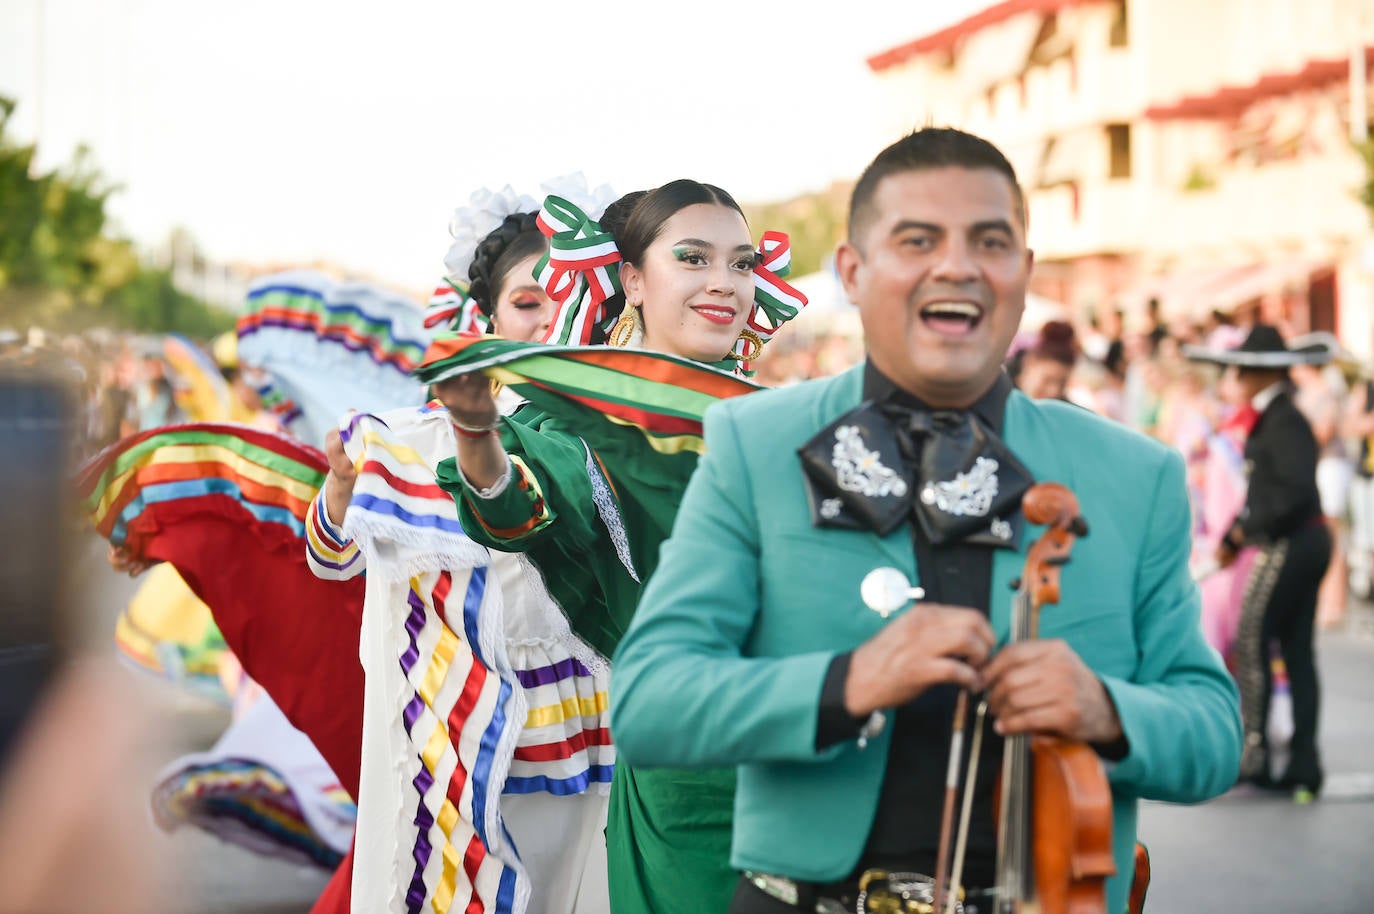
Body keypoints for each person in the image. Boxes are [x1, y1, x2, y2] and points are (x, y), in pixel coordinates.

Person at [610, 128, 1241, 914]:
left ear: (1023, 273)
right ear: (852, 272)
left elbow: (1214, 734)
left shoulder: (1135, 474)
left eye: (990, 242)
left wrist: (1107, 711)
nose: (956, 266)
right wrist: (847, 683)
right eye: (918, 240)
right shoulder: (757, 442)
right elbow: (649, 702)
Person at [427, 178, 806, 914]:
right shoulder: (582, 427)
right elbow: (517, 505)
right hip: (693, 774)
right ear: (632, 280)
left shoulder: (786, 419)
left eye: (741, 263)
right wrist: (475, 431)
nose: (723, 282)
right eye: (692, 259)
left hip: (822, 752)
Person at [309, 182, 618, 914]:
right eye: (527, 302)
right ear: (488, 318)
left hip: (604, 743)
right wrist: (343, 486)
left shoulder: (628, 435)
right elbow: (332, 560)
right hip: (465, 754)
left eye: (567, 297)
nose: (548, 321)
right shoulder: (418, 438)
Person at [1194, 326, 1332, 802]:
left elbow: (1289, 494)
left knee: (1253, 639)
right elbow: (1265, 492)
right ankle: (1301, 762)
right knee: (1294, 651)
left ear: (1260, 372)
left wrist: (1243, 531)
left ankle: (1254, 754)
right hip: (1297, 540)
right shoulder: (1277, 417)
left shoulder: (1283, 420)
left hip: (1292, 544)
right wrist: (1236, 531)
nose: (1235, 376)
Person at [1008, 319, 1077, 401]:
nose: (1054, 391)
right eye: (1048, 380)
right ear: (1030, 364)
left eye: (1062, 384)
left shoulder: (1062, 406)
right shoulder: (999, 392)